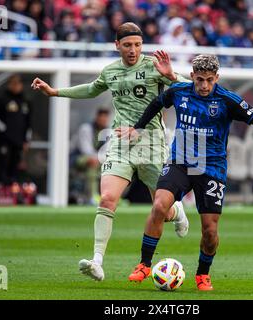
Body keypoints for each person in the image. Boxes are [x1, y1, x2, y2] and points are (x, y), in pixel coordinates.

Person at [31, 22, 190, 282]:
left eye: (137, 45)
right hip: (120, 141)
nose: (133, 50)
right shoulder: (111, 71)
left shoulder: (154, 66)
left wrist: (172, 76)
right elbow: (91, 89)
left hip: (152, 144)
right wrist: (55, 92)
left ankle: (178, 212)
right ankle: (96, 261)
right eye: (127, 45)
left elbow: (190, 89)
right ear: (117, 45)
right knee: (106, 198)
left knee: (162, 208)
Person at [120, 55, 253, 291]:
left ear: (217, 78)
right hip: (180, 161)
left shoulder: (227, 100)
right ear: (192, 76)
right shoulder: (178, 91)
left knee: (210, 230)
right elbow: (157, 103)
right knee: (159, 205)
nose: (204, 86)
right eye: (200, 80)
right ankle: (144, 264)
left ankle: (202, 274)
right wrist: (138, 128)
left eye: (210, 80)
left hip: (211, 168)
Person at [0, 74, 32, 195]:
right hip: (4, 141)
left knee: (15, 167)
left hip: (18, 142)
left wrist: (26, 140)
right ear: (9, 85)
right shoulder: (2, 99)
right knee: (3, 165)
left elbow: (28, 123)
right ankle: (1, 192)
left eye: (18, 83)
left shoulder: (25, 101)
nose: (16, 86)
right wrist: (4, 131)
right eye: (13, 83)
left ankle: (13, 194)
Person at [69, 108, 111, 204]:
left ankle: (107, 196)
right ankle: (92, 197)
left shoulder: (108, 132)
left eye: (106, 119)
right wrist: (96, 159)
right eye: (102, 118)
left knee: (110, 166)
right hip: (77, 157)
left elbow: (107, 150)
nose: (104, 121)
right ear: (97, 117)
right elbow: (85, 149)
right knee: (92, 164)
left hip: (98, 159)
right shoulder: (86, 128)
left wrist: (98, 159)